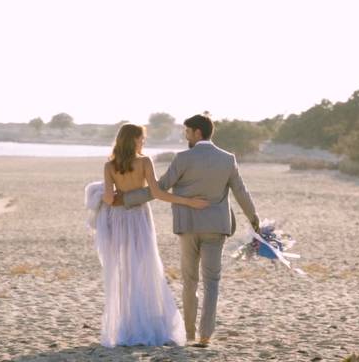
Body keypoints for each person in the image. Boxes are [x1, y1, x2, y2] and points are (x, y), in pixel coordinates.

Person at [119, 114, 260, 347]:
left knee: (190, 280)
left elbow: (160, 188)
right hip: (216, 227)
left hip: (188, 226)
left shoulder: (183, 158)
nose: (185, 135)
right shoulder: (227, 159)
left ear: (197, 132)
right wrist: (254, 220)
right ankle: (205, 335)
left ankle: (189, 333)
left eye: (187, 131)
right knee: (212, 281)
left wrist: (126, 199)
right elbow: (241, 192)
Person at [94, 123, 208, 347]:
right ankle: (145, 320)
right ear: (134, 139)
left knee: (125, 269)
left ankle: (127, 323)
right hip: (139, 217)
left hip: (118, 219)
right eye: (142, 138)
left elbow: (108, 199)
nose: (143, 141)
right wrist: (188, 201)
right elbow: (157, 193)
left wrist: (113, 194)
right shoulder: (145, 162)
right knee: (144, 266)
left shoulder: (109, 166)